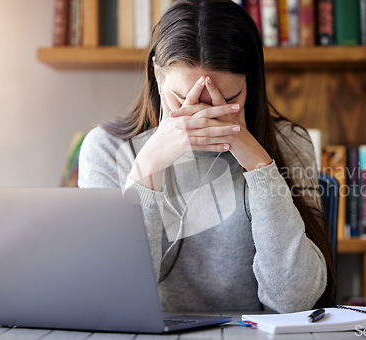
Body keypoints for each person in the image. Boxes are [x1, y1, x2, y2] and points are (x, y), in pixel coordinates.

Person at [78, 0, 335, 313]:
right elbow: (114, 298)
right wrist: (146, 170)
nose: (203, 115)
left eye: (226, 101)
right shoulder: (106, 149)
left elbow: (294, 300)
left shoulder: (290, 144)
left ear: (251, 84)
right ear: (157, 74)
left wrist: (259, 165)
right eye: (180, 100)